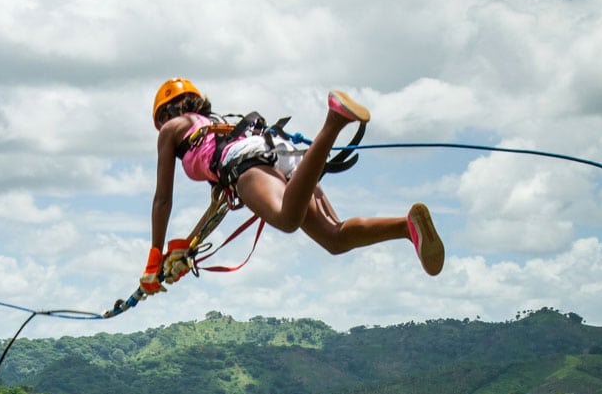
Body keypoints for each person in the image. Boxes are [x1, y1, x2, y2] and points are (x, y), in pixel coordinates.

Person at [140, 78, 444, 294]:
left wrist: (154, 257)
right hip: (280, 154)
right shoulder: (216, 126)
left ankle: (334, 122)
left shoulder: (172, 129)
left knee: (287, 219)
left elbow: (162, 200)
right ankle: (407, 227)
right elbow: (218, 208)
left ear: (165, 115)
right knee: (334, 238)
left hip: (248, 162)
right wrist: (185, 250)